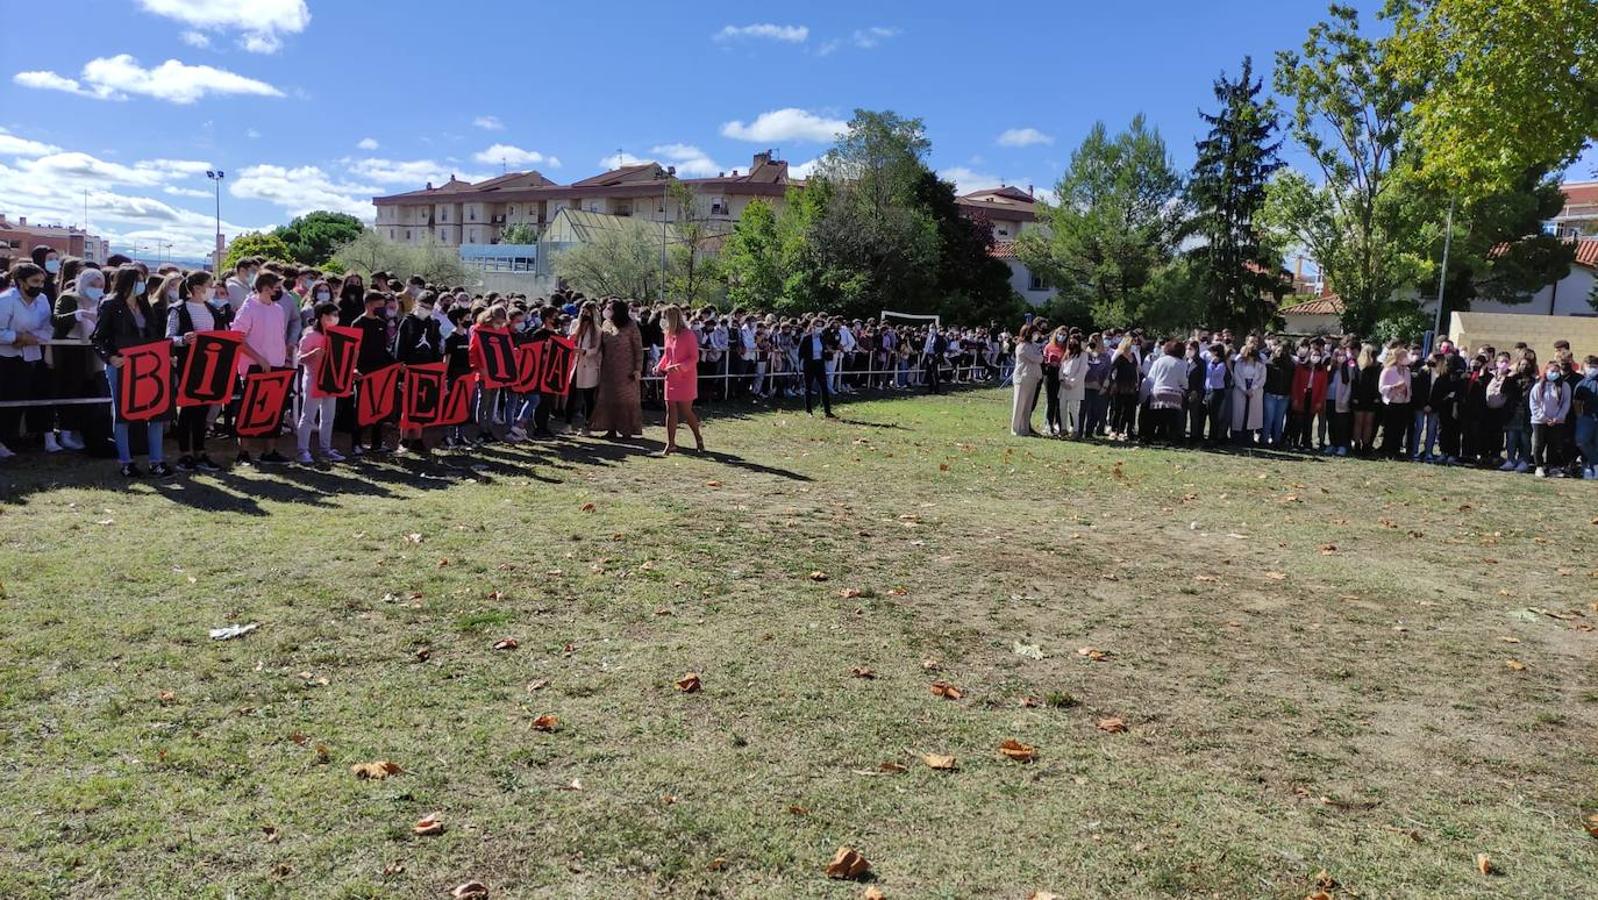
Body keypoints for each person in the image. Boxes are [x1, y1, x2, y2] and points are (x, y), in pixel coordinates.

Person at [90, 266, 171, 477]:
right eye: (138, 280)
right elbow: (98, 337)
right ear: (125, 282)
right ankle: (126, 461)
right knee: (123, 413)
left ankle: (157, 461)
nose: (142, 284)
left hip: (148, 365)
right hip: (122, 365)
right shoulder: (110, 304)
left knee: (156, 411)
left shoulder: (146, 305)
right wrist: (110, 357)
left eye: (143, 280)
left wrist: (164, 356)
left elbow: (155, 335)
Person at [165, 270, 230, 472]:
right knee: (188, 409)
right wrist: (184, 339)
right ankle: (185, 454)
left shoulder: (212, 309)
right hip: (187, 363)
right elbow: (169, 337)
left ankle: (200, 452)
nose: (212, 289)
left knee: (203, 408)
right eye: (209, 285)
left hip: (209, 363)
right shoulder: (178, 309)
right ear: (196, 288)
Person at [232, 271, 291, 466]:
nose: (279, 290)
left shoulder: (278, 309)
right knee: (249, 409)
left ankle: (270, 451)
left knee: (274, 409)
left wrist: (283, 358)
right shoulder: (248, 307)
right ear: (265, 287)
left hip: (277, 366)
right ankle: (243, 453)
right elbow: (237, 339)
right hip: (253, 367)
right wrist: (259, 359)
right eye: (276, 286)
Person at [0, 262, 56, 457]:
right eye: (34, 281)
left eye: (41, 281)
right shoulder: (6, 300)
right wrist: (17, 337)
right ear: (21, 282)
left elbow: (48, 326)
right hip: (6, 357)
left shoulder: (42, 299)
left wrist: (33, 337)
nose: (39, 285)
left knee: (29, 396)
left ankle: (20, 438)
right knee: (7, 399)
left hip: (32, 354)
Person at [294, 301, 346, 464]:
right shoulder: (310, 335)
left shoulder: (337, 335)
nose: (334, 318)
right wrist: (313, 354)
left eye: (336, 315)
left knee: (328, 417)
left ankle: (326, 449)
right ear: (322, 316)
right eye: (332, 315)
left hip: (331, 380)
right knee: (308, 417)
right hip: (314, 380)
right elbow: (300, 358)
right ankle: (303, 450)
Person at [393, 290, 443, 453]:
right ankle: (404, 439)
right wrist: (401, 372)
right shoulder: (407, 322)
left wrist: (437, 370)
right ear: (416, 303)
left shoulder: (433, 324)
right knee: (408, 406)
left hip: (427, 370)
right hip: (409, 368)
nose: (425, 309)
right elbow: (400, 348)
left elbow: (436, 349)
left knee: (422, 405)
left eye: (429, 307)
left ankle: (419, 439)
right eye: (423, 305)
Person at [587, 298, 644, 439]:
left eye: (610, 309)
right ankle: (610, 429)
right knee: (608, 398)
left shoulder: (631, 326)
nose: (607, 311)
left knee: (625, 399)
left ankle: (627, 430)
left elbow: (638, 348)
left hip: (626, 370)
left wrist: (638, 369)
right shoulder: (606, 324)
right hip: (608, 368)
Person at [654, 305, 704, 455]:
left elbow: (694, 357)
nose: (662, 321)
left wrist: (681, 367)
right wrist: (659, 366)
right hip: (671, 377)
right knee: (671, 410)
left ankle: (698, 437)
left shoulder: (688, 335)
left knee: (686, 411)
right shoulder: (668, 334)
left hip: (685, 378)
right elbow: (667, 355)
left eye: (664, 317)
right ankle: (671, 443)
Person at [351, 291, 394, 455]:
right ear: (369, 305)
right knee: (360, 406)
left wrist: (396, 363)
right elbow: (353, 350)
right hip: (363, 372)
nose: (382, 309)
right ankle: (356, 443)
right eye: (379, 306)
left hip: (380, 371)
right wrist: (354, 368)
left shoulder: (381, 324)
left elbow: (383, 349)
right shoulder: (358, 323)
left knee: (379, 406)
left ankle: (377, 443)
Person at [1528, 360, 1570, 477]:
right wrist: (1543, 417)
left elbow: (1566, 403)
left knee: (1554, 444)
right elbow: (1534, 403)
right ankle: (1539, 466)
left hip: (1557, 421)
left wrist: (1558, 417)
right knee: (1539, 443)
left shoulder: (1564, 386)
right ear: (1546, 371)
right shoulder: (1538, 386)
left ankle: (1552, 466)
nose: (1555, 373)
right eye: (1552, 371)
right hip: (1540, 421)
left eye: (1557, 371)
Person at [567, 300, 602, 435]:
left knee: (588, 397)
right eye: (583, 310)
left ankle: (587, 426)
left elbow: (596, 349)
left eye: (587, 311)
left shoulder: (597, 330)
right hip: (576, 364)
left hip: (588, 365)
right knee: (571, 395)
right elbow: (570, 339)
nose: (584, 313)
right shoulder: (575, 324)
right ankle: (567, 424)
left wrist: (585, 351)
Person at [1378, 346, 1413, 459]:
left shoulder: (1407, 371)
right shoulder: (1388, 370)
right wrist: (1393, 387)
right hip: (1391, 403)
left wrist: (1406, 391)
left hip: (1403, 403)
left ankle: (1396, 449)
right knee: (1390, 428)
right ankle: (1387, 449)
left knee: (1400, 428)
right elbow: (1381, 388)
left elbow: (1409, 386)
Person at [1230, 340, 1266, 445]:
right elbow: (1237, 377)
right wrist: (1244, 389)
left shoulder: (1260, 365)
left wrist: (1252, 389)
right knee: (1240, 414)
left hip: (1254, 390)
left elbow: (1262, 379)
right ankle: (1237, 438)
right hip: (1241, 389)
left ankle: (1249, 438)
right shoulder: (1239, 363)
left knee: (1251, 415)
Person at [801, 317, 837, 418]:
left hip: (820, 364)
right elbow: (801, 352)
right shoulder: (806, 338)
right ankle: (809, 411)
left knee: (824, 387)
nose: (819, 328)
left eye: (821, 326)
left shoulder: (822, 338)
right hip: (809, 365)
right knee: (808, 388)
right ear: (812, 326)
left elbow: (825, 348)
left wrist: (829, 351)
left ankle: (827, 411)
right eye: (817, 326)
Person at [1011, 324, 1043, 437]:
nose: (1037, 335)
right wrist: (1039, 357)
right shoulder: (1022, 346)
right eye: (1035, 333)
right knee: (1019, 403)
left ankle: (1024, 428)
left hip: (1033, 377)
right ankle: (1016, 428)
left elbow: (1040, 357)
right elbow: (1037, 358)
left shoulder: (1032, 345)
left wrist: (1039, 357)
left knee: (1028, 405)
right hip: (1022, 377)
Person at [1057, 336, 1088, 439]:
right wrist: (1061, 380)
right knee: (1062, 408)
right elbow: (1061, 368)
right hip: (1063, 385)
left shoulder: (1083, 354)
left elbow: (1082, 371)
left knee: (1073, 409)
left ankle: (1076, 430)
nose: (1072, 342)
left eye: (1075, 340)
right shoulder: (1067, 353)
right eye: (1071, 340)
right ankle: (1063, 429)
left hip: (1074, 386)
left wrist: (1072, 383)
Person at [1574, 355, 1598, 480]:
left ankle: (1593, 468)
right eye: (1589, 366)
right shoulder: (1581, 384)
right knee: (1581, 441)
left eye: (1595, 366)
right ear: (1584, 367)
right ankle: (1594, 463)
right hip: (1587, 418)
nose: (1592, 369)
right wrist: (1580, 416)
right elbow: (1577, 402)